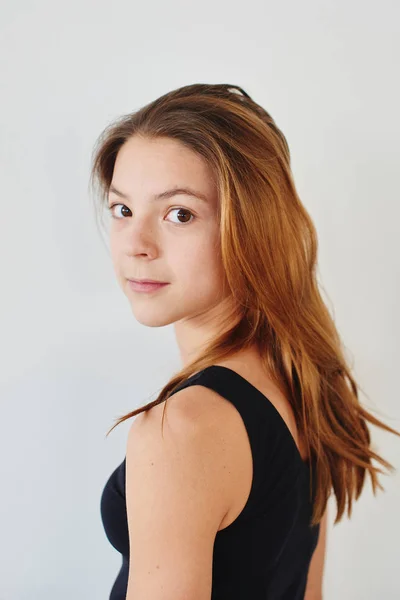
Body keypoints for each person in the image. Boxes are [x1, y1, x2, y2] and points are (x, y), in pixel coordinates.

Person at [90, 83, 399, 600]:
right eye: (122, 209)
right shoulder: (303, 382)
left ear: (252, 227)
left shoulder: (181, 430)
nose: (136, 244)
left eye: (179, 214)